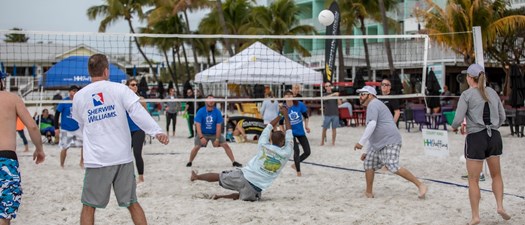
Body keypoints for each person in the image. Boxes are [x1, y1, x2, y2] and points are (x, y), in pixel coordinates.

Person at [72, 54, 169, 225]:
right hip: (121, 157)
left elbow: (81, 126)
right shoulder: (120, 89)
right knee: (132, 203)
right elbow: (137, 112)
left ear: (89, 71)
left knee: (88, 206)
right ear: (106, 70)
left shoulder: (79, 96)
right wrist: (156, 131)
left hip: (97, 159)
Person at [190, 106, 293, 201]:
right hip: (256, 188)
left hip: (244, 175)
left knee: (219, 176)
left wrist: (281, 115)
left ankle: (197, 177)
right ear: (282, 142)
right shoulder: (286, 153)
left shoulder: (263, 145)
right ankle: (219, 196)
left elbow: (269, 126)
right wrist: (287, 117)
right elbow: (289, 133)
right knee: (243, 195)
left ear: (271, 139)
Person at [451, 64, 510, 225]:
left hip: (476, 137)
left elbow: (457, 120)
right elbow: (502, 117)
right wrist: (493, 127)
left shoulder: (467, 94)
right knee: (496, 175)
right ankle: (500, 206)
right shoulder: (492, 92)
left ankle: (476, 216)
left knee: (473, 180)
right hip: (494, 137)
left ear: (470, 78)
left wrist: (454, 127)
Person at [354, 86, 427, 199]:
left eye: (363, 94)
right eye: (360, 94)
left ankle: (420, 185)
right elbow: (373, 132)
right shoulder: (373, 105)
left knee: (392, 165)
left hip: (390, 140)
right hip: (379, 142)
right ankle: (368, 193)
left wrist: (360, 142)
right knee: (368, 164)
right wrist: (367, 151)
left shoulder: (373, 104)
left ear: (371, 95)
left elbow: (372, 125)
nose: (360, 96)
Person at [0, 70, 45, 224]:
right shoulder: (12, 99)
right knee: (4, 214)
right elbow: (32, 126)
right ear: (2, 81)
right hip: (6, 159)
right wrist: (39, 149)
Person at [186, 95, 242, 167]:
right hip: (203, 133)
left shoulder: (217, 112)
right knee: (196, 147)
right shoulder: (201, 111)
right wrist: (201, 137)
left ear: (214, 101)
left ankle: (234, 161)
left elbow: (218, 127)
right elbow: (198, 126)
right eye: (209, 99)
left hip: (214, 133)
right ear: (206, 101)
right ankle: (190, 161)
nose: (211, 101)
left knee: (225, 145)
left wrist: (217, 139)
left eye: (212, 99)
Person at [54, 85, 84, 168]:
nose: (75, 92)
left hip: (77, 127)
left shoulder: (79, 101)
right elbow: (56, 114)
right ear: (69, 92)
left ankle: (82, 162)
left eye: (76, 91)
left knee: (85, 145)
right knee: (64, 147)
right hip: (66, 128)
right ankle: (62, 164)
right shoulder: (64, 101)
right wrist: (56, 128)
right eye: (73, 91)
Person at [282, 90, 311, 177]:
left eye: (290, 95)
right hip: (290, 133)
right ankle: (298, 172)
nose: (288, 97)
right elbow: (280, 123)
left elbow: (306, 116)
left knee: (307, 152)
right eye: (286, 96)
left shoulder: (299, 104)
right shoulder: (283, 108)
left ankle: (295, 164)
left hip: (300, 131)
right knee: (296, 151)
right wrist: (284, 132)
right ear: (284, 97)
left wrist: (306, 126)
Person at [126, 78, 148, 183]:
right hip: (126, 131)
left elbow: (146, 116)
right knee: (125, 155)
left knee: (137, 154)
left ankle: (141, 177)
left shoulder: (141, 99)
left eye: (136, 85)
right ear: (128, 86)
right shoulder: (123, 100)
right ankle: (129, 176)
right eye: (132, 84)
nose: (135, 86)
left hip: (138, 130)